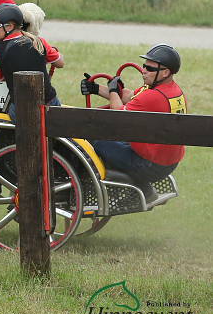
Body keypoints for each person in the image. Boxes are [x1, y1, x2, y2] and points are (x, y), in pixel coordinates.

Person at [80, 44, 187, 203]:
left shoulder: (153, 96)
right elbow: (130, 96)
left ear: (165, 72)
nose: (144, 70)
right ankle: (139, 186)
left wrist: (113, 91)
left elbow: (119, 114)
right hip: (167, 160)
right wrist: (96, 88)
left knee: (99, 142)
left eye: (150, 68)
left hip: (150, 165)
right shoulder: (170, 90)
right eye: (144, 66)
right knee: (118, 143)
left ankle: (141, 188)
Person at [0, 3, 64, 123]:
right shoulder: (38, 42)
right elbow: (60, 63)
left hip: (19, 108)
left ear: (9, 27)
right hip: (49, 102)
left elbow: (1, 77)